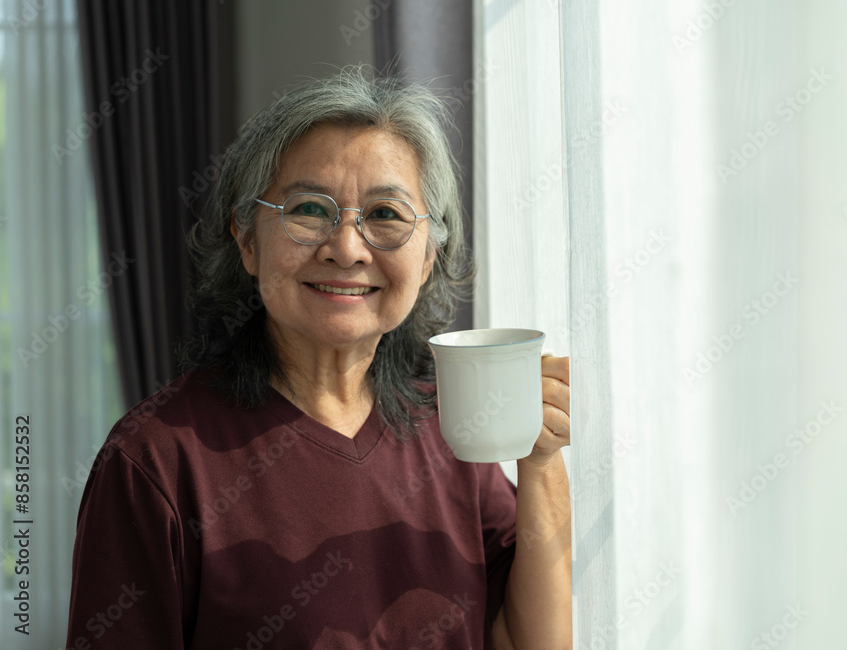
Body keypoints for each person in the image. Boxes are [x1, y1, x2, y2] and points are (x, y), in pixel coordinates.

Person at [65, 68, 572, 649]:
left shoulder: (455, 429)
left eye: (386, 215)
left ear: (430, 257)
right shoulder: (155, 460)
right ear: (248, 241)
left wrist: (540, 463)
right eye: (309, 209)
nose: (347, 249)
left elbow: (531, 642)